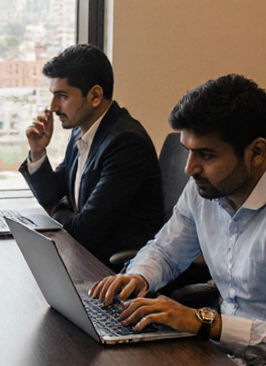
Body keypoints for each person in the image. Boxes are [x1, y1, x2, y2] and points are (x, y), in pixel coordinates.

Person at [90, 74, 266, 366]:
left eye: (206, 155)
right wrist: (138, 276)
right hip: (223, 360)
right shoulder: (205, 190)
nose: (190, 168)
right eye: (188, 150)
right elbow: (165, 252)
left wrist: (207, 323)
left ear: (257, 152)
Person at [19, 43, 163, 266]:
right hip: (84, 256)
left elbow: (84, 231)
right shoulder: (82, 131)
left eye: (62, 96)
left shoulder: (126, 144)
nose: (53, 107)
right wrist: (38, 152)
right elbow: (51, 194)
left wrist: (57, 210)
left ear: (95, 95)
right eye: (53, 96)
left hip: (113, 270)